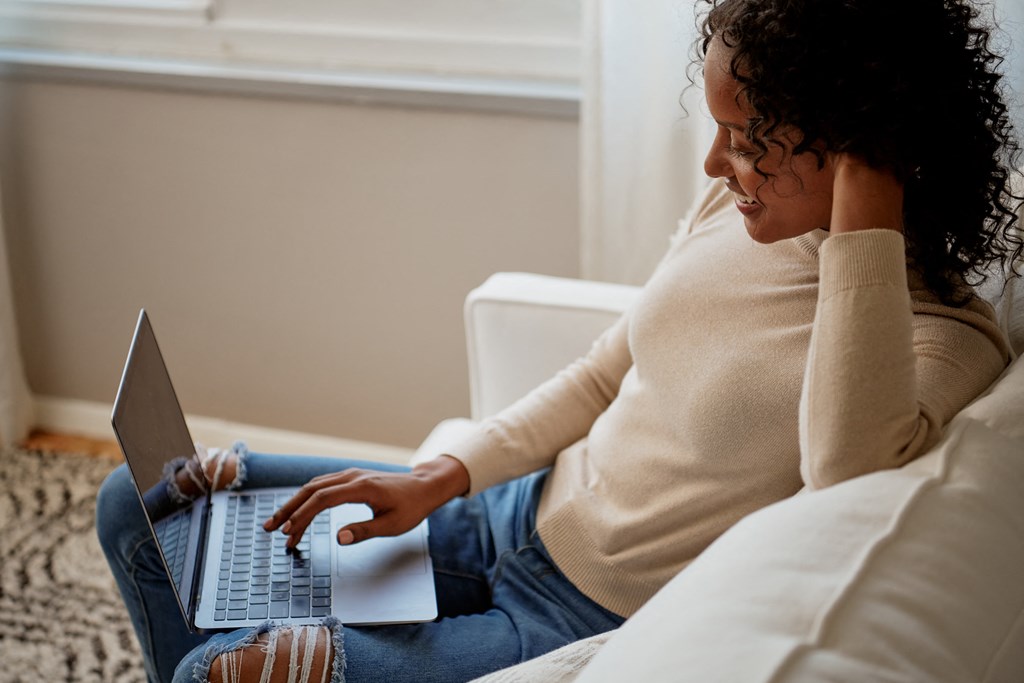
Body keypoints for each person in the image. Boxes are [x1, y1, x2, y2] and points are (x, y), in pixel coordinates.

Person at [97, 0, 1022, 681]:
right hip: (501, 514)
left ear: (862, 155)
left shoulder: (944, 341)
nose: (713, 164)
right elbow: (598, 376)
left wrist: (867, 224)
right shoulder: (736, 214)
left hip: (564, 619)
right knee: (138, 507)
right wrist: (441, 474)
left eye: (750, 141)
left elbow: (845, 477)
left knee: (213, 669)